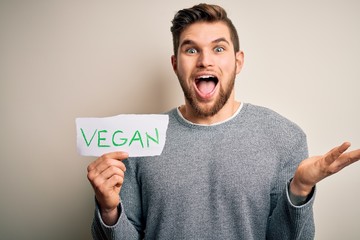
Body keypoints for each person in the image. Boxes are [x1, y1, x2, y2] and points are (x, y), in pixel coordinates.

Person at [87, 3, 360, 240]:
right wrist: (109, 210)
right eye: (191, 50)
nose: (205, 61)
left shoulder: (285, 137)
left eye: (218, 48)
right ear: (175, 64)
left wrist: (299, 190)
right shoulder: (139, 139)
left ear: (238, 61)